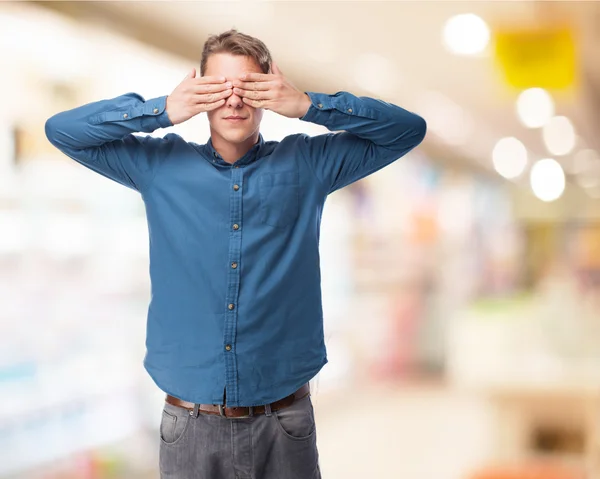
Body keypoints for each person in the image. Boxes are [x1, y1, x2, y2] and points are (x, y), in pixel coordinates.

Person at [45, 29, 426, 479]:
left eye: (248, 87)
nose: (234, 101)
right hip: (189, 427)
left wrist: (308, 105)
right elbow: (63, 131)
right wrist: (161, 110)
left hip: (284, 422)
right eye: (219, 88)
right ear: (200, 93)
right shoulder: (158, 166)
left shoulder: (308, 164)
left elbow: (407, 130)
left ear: (268, 93)